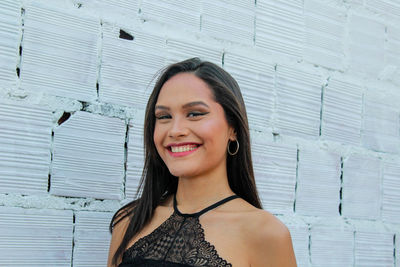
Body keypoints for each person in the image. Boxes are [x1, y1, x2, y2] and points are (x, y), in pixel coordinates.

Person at [107, 58, 297, 267]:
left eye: (195, 114)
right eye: (164, 116)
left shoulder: (265, 233)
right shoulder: (129, 220)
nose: (175, 130)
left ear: (232, 128)